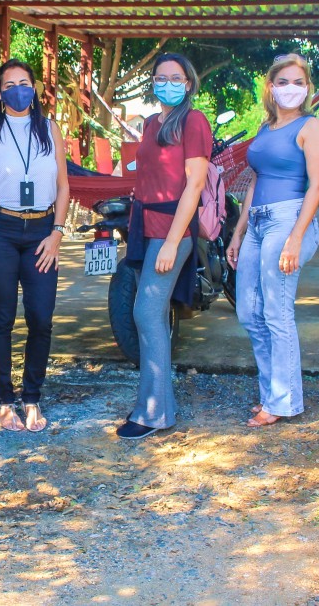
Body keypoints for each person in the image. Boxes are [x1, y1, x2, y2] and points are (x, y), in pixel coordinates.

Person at [226, 54, 319, 427]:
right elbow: (255, 180)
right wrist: (238, 233)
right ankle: (272, 393)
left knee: (276, 313)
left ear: (308, 88)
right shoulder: (265, 127)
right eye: (283, 82)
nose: (291, 88)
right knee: (248, 313)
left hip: (289, 219)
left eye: (298, 82)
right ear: (270, 87)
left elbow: (318, 185)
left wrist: (295, 238)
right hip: (256, 222)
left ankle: (283, 402)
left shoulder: (312, 127)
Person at [0, 58, 69, 432]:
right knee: (3, 317)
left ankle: (32, 398)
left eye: (23, 82)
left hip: (42, 230)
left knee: (41, 317)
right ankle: (5, 401)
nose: (17, 90)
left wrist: (57, 232)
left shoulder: (50, 129)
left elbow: (63, 186)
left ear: (35, 89)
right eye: (8, 85)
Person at [115, 53, 210, 440]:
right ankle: (159, 409)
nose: (167, 82)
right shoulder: (154, 123)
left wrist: (173, 240)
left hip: (172, 228)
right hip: (144, 224)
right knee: (148, 316)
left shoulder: (194, 120)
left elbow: (195, 184)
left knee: (146, 313)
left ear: (188, 82)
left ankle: (153, 413)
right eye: (160, 77)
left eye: (175, 77)